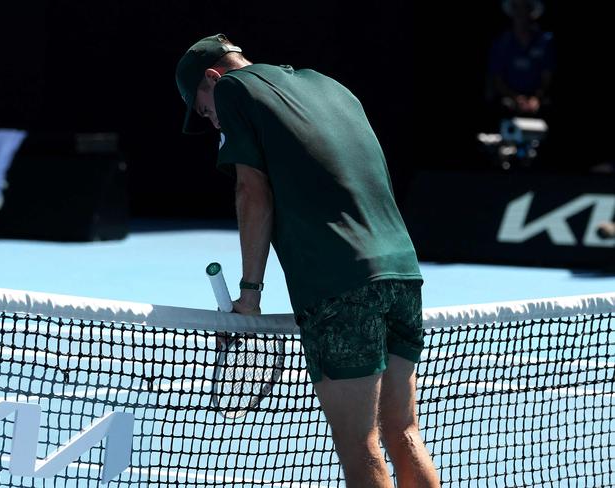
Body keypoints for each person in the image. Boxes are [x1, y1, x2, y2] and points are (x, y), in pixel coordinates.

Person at [176, 34, 440, 487]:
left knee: (360, 446)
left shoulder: (233, 90)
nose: (213, 119)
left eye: (204, 110)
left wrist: (249, 296)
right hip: (401, 272)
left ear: (212, 79)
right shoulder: (329, 85)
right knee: (404, 432)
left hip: (339, 287)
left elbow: (251, 192)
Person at [488, 0, 556, 117]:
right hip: (509, 99)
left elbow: (547, 77)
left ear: (531, 12)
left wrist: (536, 98)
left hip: (538, 99)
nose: (520, 14)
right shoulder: (502, 42)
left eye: (524, 8)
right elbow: (497, 79)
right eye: (517, 9)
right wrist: (516, 98)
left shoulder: (545, 41)